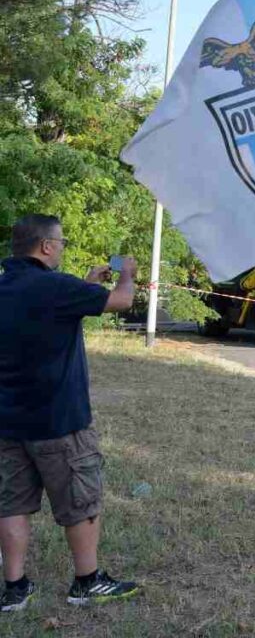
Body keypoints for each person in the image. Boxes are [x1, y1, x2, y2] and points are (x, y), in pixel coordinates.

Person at [0, 214, 140, 613]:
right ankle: (87, 582)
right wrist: (125, 274)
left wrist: (86, 285)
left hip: (9, 421)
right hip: (58, 422)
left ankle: (14, 588)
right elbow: (123, 301)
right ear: (45, 246)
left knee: (11, 504)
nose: (61, 248)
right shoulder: (55, 287)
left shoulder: (6, 285)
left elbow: (53, 315)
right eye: (59, 243)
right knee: (79, 501)